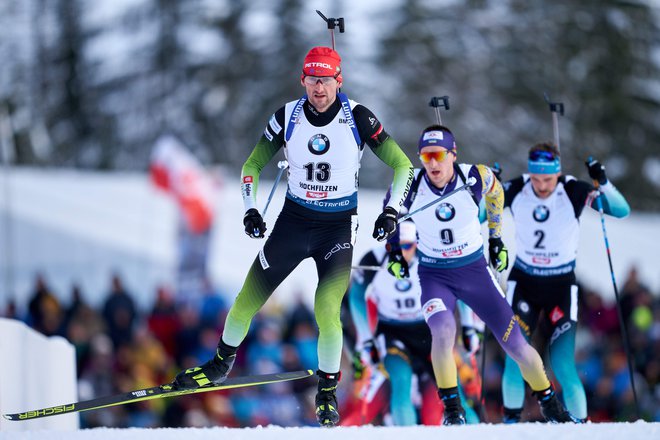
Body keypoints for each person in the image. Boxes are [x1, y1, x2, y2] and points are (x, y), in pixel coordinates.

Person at [170, 46, 414, 427]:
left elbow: (403, 164)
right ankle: (220, 364)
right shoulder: (288, 116)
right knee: (246, 300)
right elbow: (252, 163)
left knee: (327, 313)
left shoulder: (359, 117)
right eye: (313, 80)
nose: (319, 88)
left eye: (327, 80)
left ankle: (327, 393)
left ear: (339, 81)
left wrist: (391, 211)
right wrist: (250, 207)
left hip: (336, 227)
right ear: (303, 80)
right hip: (293, 222)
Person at [388, 124, 579, 425]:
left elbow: (496, 193)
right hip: (435, 275)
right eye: (425, 157)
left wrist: (496, 238)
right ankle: (453, 410)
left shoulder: (474, 176)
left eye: (438, 155)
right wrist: (395, 253)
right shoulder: (411, 184)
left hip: (474, 272)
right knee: (442, 331)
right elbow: (392, 215)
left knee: (516, 344)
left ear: (453, 154)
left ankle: (550, 404)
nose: (432, 163)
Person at [500, 142, 630, 423]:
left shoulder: (572, 189)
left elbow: (620, 211)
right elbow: (479, 215)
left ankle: (580, 427)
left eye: (548, 179)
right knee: (514, 360)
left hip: (561, 287)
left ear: (557, 174)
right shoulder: (517, 188)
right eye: (536, 178)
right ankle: (508, 427)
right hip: (524, 284)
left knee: (563, 366)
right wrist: (487, 190)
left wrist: (603, 183)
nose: (542, 185)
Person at [347, 220, 481, 425]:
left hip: (427, 330)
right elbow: (355, 295)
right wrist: (365, 340)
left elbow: (460, 288)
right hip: (392, 332)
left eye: (407, 246)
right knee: (401, 379)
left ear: (417, 244)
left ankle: (479, 433)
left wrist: (469, 326)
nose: (401, 252)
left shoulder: (431, 257)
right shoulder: (374, 258)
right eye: (395, 246)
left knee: (453, 388)